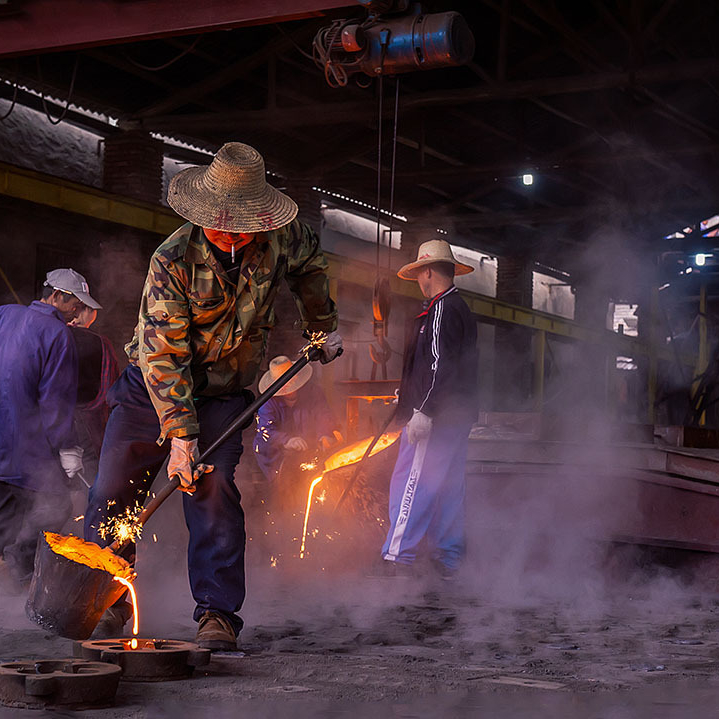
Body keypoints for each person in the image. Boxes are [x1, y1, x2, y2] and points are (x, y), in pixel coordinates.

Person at [84, 142, 342, 649]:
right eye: (222, 224)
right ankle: (106, 601)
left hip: (223, 393)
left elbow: (312, 264)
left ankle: (216, 614)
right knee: (113, 489)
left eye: (243, 225)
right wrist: (181, 437)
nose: (232, 234)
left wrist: (321, 325)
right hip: (151, 389)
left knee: (215, 490)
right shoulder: (172, 260)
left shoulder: (283, 236)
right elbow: (164, 356)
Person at [380, 240, 478, 579]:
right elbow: (442, 366)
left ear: (428, 272)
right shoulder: (459, 308)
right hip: (456, 416)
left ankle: (397, 556)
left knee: (412, 481)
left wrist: (422, 409)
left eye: (420, 274)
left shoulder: (441, 309)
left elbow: (440, 364)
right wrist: (408, 393)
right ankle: (448, 560)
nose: (419, 281)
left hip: (436, 416)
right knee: (448, 487)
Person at [0, 268, 101, 586]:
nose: (77, 313)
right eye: (75, 305)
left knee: (6, 514)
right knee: (56, 504)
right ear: (56, 296)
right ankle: (20, 571)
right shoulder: (58, 334)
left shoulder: (5, 314)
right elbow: (55, 399)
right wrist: (67, 446)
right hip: (27, 447)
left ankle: (10, 570)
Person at [253, 355, 341, 481]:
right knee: (285, 482)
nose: (288, 389)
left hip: (310, 448)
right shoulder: (268, 402)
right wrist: (287, 440)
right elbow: (265, 431)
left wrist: (324, 434)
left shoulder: (313, 392)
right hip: (276, 456)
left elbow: (324, 414)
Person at [68, 303, 120, 479]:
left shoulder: (56, 334)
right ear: (86, 311)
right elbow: (112, 385)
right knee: (91, 471)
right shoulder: (101, 343)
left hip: (58, 420)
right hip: (89, 422)